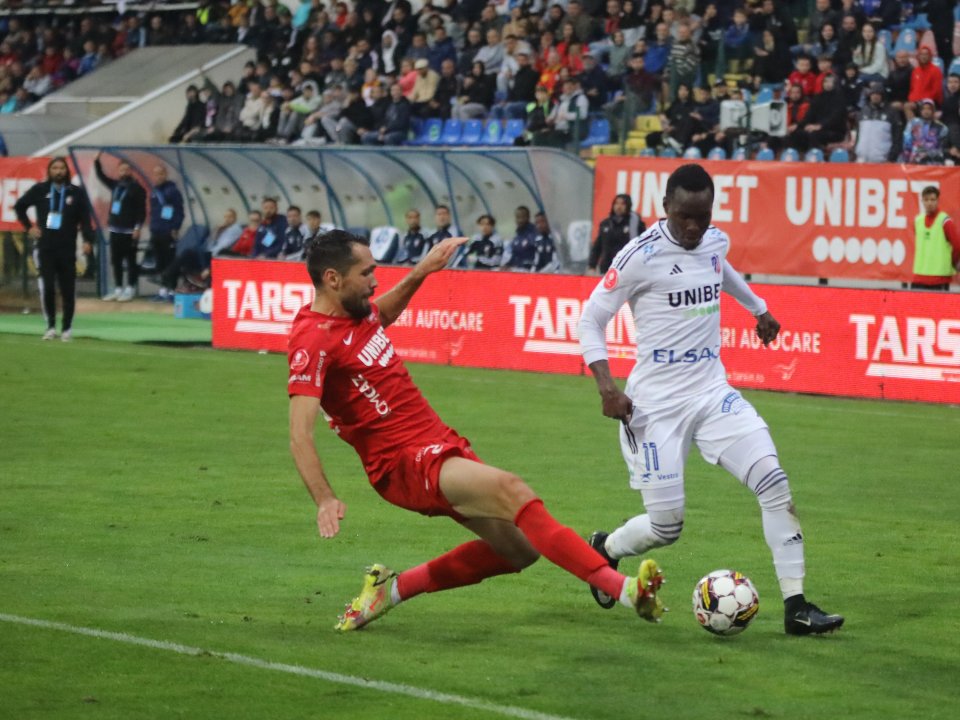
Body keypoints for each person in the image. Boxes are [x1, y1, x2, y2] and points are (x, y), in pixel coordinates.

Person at [288, 230, 665, 632]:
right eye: (366, 273)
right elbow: (300, 434)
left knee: (519, 552)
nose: (374, 281)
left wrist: (422, 271)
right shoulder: (312, 341)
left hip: (436, 442)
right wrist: (325, 499)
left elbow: (382, 315)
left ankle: (391, 590)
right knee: (512, 490)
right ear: (333, 279)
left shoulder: (356, 315)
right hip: (402, 463)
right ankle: (626, 590)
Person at [577, 164, 844, 636]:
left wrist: (758, 308)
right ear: (666, 209)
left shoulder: (713, 242)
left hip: (712, 392)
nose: (694, 227)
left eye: (702, 216)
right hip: (655, 408)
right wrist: (606, 387)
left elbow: (722, 271)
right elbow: (590, 320)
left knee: (774, 482)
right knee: (666, 527)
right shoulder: (639, 255)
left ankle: (797, 606)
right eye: (685, 217)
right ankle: (607, 548)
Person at [14, 157, 95, 341]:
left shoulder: (76, 193)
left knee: (68, 289)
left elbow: (85, 219)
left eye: (61, 168)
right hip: (46, 248)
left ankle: (67, 328)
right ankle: (50, 326)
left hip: (67, 248)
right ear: (49, 171)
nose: (58, 171)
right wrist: (29, 227)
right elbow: (20, 206)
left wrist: (88, 240)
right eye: (55, 168)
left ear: (67, 171)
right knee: (48, 288)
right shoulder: (40, 190)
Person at [95, 152, 147, 301]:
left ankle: (130, 288)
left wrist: (137, 227)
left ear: (131, 171)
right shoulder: (116, 185)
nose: (124, 172)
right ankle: (118, 288)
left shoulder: (137, 188)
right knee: (116, 260)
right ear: (118, 171)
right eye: (121, 170)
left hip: (130, 231)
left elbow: (141, 210)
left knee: (130, 260)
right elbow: (102, 177)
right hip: (115, 229)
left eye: (127, 170)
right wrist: (96, 161)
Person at [910, 186, 960, 291]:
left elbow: (957, 245)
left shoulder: (945, 221)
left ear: (938, 200)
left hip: (939, 279)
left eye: (933, 199)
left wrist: (953, 263)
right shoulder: (917, 221)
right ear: (922, 201)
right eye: (926, 200)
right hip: (919, 277)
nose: (929, 203)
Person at [148, 164, 185, 302]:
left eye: (161, 174)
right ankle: (162, 290)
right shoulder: (154, 191)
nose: (158, 177)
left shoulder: (172, 191)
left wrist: (175, 227)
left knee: (170, 261)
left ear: (165, 174)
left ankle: (172, 289)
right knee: (159, 261)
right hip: (156, 230)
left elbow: (180, 212)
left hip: (168, 231)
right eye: (156, 174)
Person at [589, 193, 644, 275]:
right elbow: (598, 246)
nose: (619, 207)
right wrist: (592, 265)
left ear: (628, 206)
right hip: (606, 268)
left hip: (626, 268)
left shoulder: (635, 225)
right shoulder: (606, 224)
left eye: (622, 204)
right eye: (616, 203)